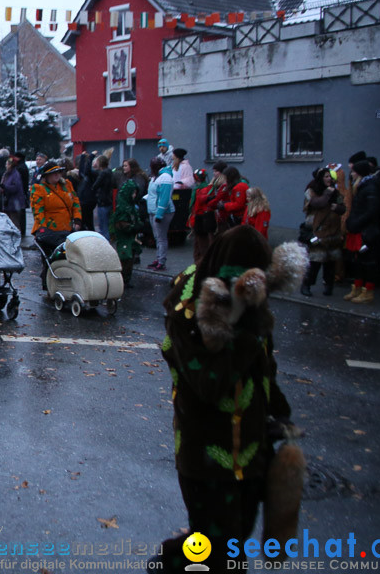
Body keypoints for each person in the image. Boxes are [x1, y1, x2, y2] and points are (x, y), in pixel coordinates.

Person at [157, 226, 305, 570]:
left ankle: (175, 558)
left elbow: (264, 367)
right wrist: (246, 332)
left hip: (253, 451)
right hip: (206, 455)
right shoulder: (187, 307)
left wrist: (279, 413)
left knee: (231, 542)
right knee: (218, 551)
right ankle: (172, 560)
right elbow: (209, 384)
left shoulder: (253, 296)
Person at [31, 160, 82, 287]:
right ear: (46, 176)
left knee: (67, 259)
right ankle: (48, 285)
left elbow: (75, 203)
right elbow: (38, 210)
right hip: (49, 231)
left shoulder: (67, 185)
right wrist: (44, 228)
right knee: (50, 260)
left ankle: (65, 284)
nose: (57, 175)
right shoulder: (39, 189)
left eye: (59, 172)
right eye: (54, 173)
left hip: (66, 229)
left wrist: (77, 219)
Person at [344, 159, 380, 304]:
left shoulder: (370, 188)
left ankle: (368, 291)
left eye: (354, 171)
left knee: (368, 262)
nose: (352, 174)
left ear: (360, 173)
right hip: (360, 229)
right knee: (359, 261)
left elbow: (371, 211)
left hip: (367, 231)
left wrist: (355, 223)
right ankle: (357, 287)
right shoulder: (362, 187)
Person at [300, 167, 346, 297]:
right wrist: (327, 194)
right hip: (318, 231)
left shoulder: (334, 192)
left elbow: (343, 208)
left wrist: (337, 207)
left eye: (330, 177)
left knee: (330, 262)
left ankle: (328, 285)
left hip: (332, 232)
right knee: (315, 261)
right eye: (326, 176)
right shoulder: (312, 190)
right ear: (320, 178)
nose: (329, 179)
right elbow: (317, 203)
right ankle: (307, 285)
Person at [112, 159, 143, 287]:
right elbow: (120, 224)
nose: (135, 194)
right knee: (125, 259)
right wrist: (133, 228)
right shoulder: (123, 208)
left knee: (130, 260)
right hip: (125, 240)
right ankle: (122, 280)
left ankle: (127, 279)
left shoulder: (131, 206)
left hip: (132, 240)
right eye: (133, 192)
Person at [145, 157, 175, 271]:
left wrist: (159, 214)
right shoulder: (156, 176)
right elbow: (153, 195)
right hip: (153, 211)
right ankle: (158, 258)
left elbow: (164, 198)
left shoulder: (165, 178)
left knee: (161, 238)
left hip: (162, 213)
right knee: (157, 237)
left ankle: (161, 261)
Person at [0, 153, 27, 238]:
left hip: (14, 202)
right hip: (9, 201)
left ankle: (16, 237)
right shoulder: (7, 174)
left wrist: (5, 187)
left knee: (14, 221)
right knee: (9, 220)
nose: (6, 165)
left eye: (7, 164)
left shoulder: (15, 174)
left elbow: (16, 187)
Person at [91, 153, 114, 240]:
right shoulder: (110, 172)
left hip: (102, 201)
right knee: (105, 226)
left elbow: (95, 186)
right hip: (108, 201)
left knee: (103, 227)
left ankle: (105, 245)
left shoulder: (103, 173)